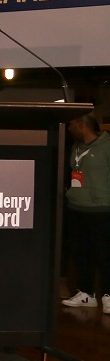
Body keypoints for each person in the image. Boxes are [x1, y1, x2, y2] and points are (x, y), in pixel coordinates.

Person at [60, 114, 110, 314]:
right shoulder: (76, 147)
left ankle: (108, 295)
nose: (69, 128)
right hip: (77, 207)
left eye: (71, 124)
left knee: (105, 254)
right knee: (82, 253)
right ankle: (86, 294)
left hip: (102, 209)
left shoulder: (106, 146)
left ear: (82, 125)